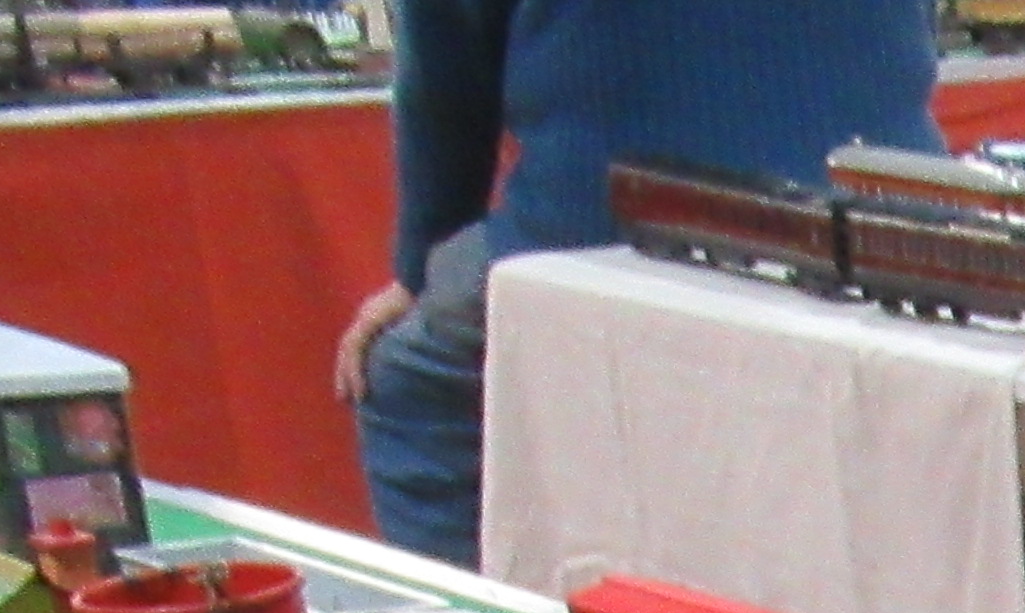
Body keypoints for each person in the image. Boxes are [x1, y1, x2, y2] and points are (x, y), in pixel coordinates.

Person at [340, 0, 945, 566]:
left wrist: (418, 270)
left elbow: (445, 83)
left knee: (406, 379)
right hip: (890, 225)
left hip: (614, 229)